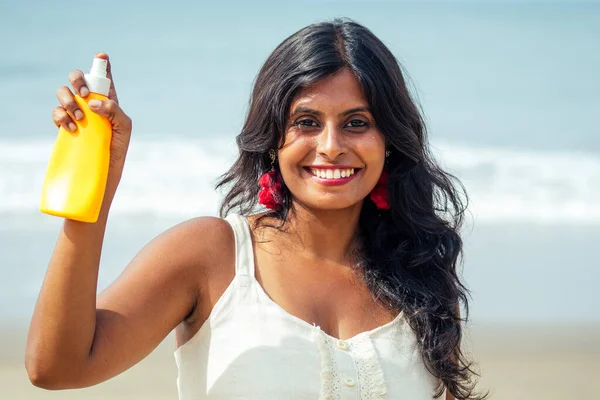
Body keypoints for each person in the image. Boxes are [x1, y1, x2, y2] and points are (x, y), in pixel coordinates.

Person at [25, 18, 484, 400]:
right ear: (270, 139)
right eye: (306, 122)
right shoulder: (213, 255)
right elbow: (56, 367)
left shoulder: (421, 273)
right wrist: (93, 191)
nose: (330, 146)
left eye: (356, 123)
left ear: (390, 142)